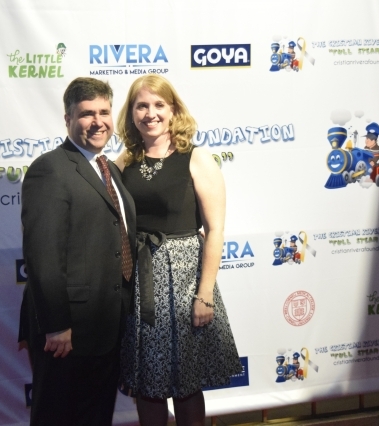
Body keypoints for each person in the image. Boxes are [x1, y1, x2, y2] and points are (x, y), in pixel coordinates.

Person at [115, 74, 241, 426]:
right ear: (131, 113)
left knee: (186, 382)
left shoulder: (196, 158)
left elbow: (214, 230)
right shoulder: (124, 160)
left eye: (159, 105)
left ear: (173, 110)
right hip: (140, 282)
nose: (150, 113)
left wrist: (205, 295)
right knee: (147, 381)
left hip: (184, 280)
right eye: (141, 106)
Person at [20, 77, 136, 426]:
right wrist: (57, 326)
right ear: (68, 118)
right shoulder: (50, 169)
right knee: (58, 416)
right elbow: (43, 254)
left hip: (107, 324)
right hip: (68, 330)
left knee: (96, 415)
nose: (98, 121)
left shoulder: (109, 168)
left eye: (104, 112)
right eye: (87, 114)